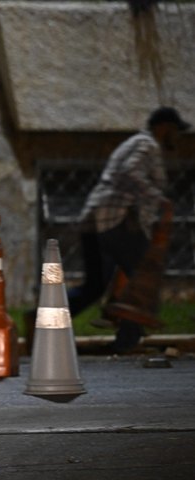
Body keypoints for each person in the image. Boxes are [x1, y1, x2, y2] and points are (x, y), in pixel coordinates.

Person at [64, 106, 189, 353]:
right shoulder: (148, 145)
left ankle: (40, 319)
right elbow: (130, 172)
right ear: (163, 128)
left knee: (95, 286)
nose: (177, 137)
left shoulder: (132, 142)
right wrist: (160, 198)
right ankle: (128, 338)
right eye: (175, 131)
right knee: (144, 272)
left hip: (95, 218)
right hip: (114, 219)